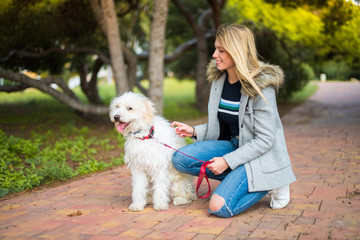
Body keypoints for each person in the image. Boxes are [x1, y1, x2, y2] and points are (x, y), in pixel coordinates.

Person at [171, 24, 296, 218]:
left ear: (237, 51)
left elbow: (264, 140)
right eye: (215, 49)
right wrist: (194, 131)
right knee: (181, 160)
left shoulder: (261, 86)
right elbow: (226, 126)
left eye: (221, 50)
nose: (214, 55)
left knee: (218, 207)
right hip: (234, 145)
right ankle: (241, 179)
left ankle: (270, 180)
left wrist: (227, 162)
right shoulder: (219, 81)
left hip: (260, 155)